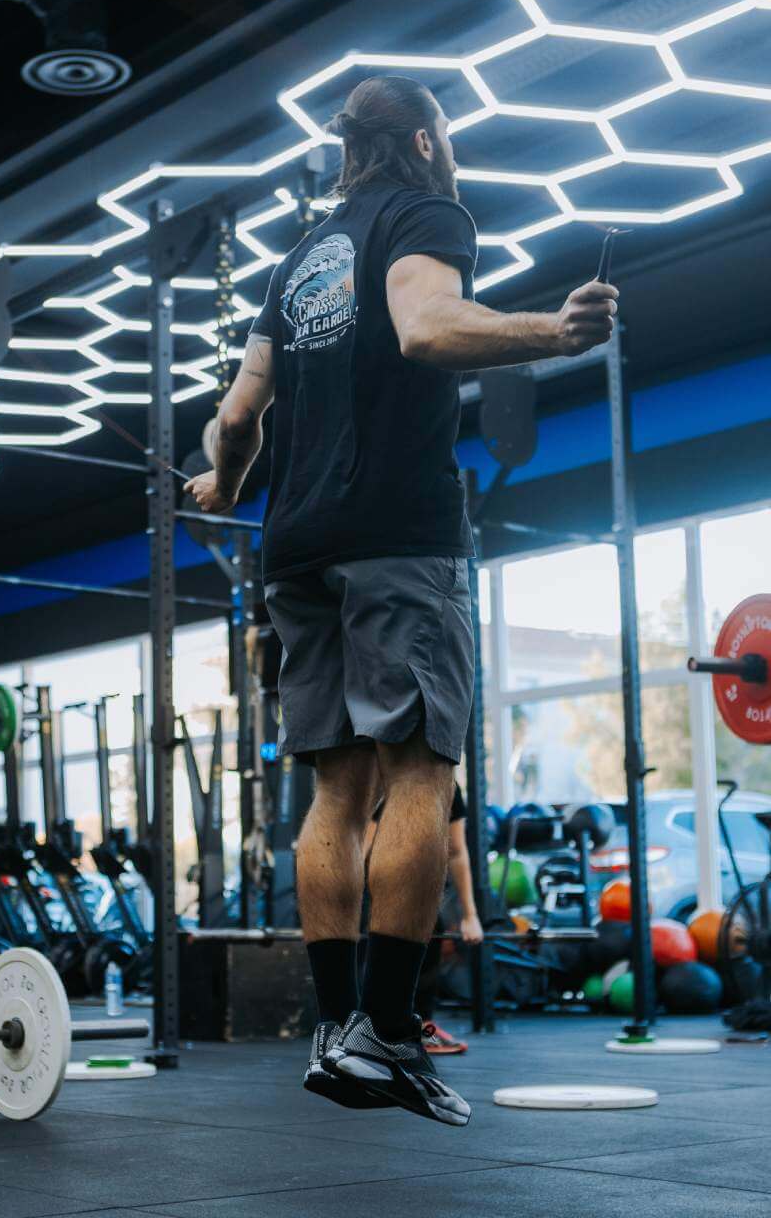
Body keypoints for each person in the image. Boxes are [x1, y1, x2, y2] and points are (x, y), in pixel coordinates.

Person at [185, 73, 617, 1125]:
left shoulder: (296, 263)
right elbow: (424, 328)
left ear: (348, 150)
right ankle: (382, 1030)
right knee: (421, 771)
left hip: (294, 549)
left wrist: (225, 487)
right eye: (444, 135)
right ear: (423, 140)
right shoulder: (427, 213)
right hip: (394, 536)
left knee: (335, 794)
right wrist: (554, 335)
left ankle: (337, 1032)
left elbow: (234, 419)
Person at [364, 783, 482, 1056]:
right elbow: (365, 849)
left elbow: (456, 851)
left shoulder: (447, 785)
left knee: (430, 925)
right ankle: (371, 1032)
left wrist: (470, 915)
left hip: (419, 888)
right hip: (377, 884)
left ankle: (419, 1025)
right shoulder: (388, 781)